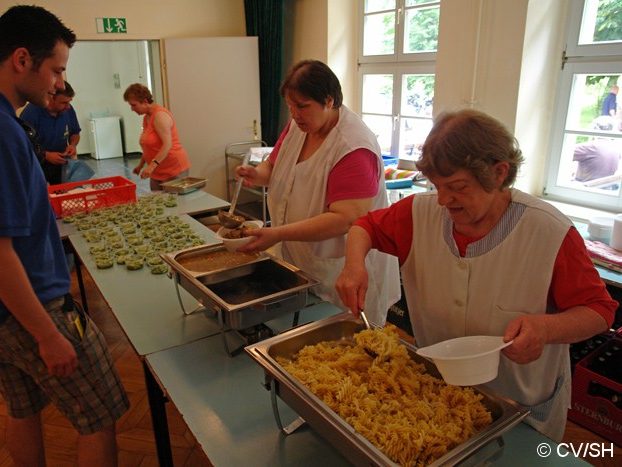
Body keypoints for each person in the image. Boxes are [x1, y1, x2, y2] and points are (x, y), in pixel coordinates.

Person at [335, 109, 617, 442]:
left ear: (499, 173)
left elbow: (600, 311)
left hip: (521, 408)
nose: (443, 200)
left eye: (456, 187)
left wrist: (545, 328)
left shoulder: (549, 232)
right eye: (436, 186)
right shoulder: (419, 213)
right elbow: (363, 226)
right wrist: (354, 266)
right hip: (439, 396)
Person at [0, 5, 129, 466]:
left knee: (23, 410)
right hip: (31, 308)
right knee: (99, 415)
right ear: (22, 59)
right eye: (57, 70)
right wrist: (48, 335)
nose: (59, 84)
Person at [236, 59, 401, 326]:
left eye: (302, 106)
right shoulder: (298, 127)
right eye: (291, 106)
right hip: (302, 261)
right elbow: (275, 167)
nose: (295, 114)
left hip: (339, 269)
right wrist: (257, 175)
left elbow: (345, 219)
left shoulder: (353, 147)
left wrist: (276, 234)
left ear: (329, 100)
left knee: (348, 346)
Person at [123, 83, 191, 190]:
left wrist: (150, 167)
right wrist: (141, 165)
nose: (132, 109)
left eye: (133, 105)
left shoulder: (160, 116)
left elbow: (167, 145)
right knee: (158, 202)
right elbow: (148, 146)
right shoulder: (146, 118)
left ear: (145, 102)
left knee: (174, 204)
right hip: (157, 170)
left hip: (173, 168)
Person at [20, 80, 82, 185]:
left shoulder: (68, 110)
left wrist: (72, 145)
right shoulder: (31, 113)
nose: (68, 106)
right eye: (63, 103)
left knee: (67, 194)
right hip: (37, 165)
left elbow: (75, 133)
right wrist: (46, 155)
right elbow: (23, 144)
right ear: (51, 98)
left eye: (69, 102)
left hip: (61, 163)